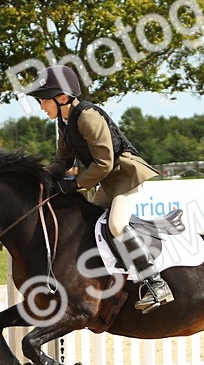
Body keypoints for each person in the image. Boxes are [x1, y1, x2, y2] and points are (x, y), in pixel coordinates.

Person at [23, 65, 173, 313]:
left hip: (125, 176)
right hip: (106, 180)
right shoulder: (64, 121)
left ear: (62, 98)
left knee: (115, 225)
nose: (41, 107)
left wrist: (75, 183)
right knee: (87, 221)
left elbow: (105, 163)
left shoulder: (88, 117)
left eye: (43, 101)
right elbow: (63, 162)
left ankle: (156, 283)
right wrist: (41, 178)